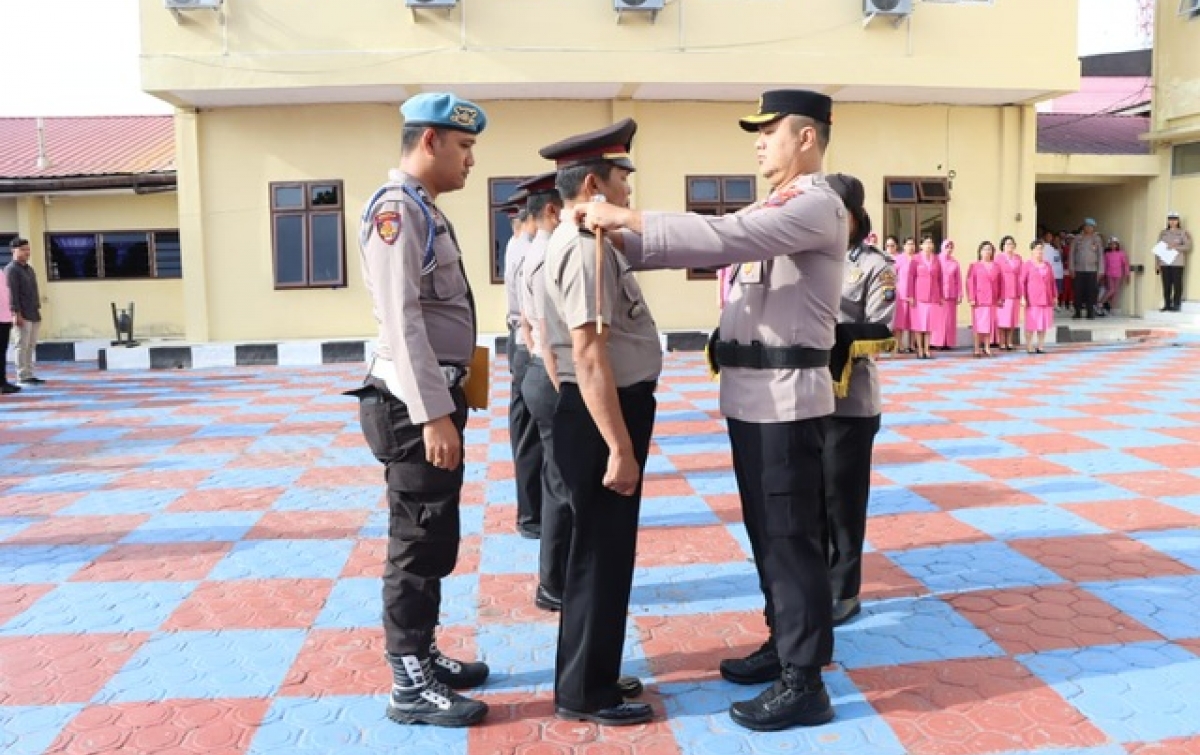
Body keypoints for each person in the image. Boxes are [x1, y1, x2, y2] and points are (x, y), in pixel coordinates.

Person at [577, 89, 845, 732]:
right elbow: (705, 246)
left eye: (769, 131)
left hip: (786, 402)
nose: (758, 142)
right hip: (753, 399)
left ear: (806, 138)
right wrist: (612, 238)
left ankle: (804, 680)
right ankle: (783, 642)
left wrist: (626, 215)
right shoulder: (776, 203)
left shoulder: (815, 202)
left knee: (791, 539)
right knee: (766, 533)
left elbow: (726, 235)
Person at [347, 92, 491, 728]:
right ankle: (408, 681)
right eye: (463, 148)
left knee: (433, 534)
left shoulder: (424, 210)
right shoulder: (396, 212)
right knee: (415, 539)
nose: (470, 162)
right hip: (411, 407)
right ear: (429, 141)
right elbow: (404, 321)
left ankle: (423, 653)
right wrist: (434, 414)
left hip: (431, 397)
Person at [539, 118, 662, 727]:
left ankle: (593, 671)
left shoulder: (578, 243)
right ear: (593, 184)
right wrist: (618, 446)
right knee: (599, 557)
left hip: (595, 413)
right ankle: (586, 692)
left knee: (603, 553)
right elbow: (588, 354)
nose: (629, 193)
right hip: (602, 418)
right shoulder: (582, 248)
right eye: (622, 180)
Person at [822, 173, 894, 628]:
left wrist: (827, 339)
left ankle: (844, 591)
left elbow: (883, 330)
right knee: (809, 498)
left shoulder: (872, 266)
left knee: (842, 501)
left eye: (836, 212)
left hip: (849, 403)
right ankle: (815, 583)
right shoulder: (806, 257)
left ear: (854, 216)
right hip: (803, 399)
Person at [513, 171, 571, 611]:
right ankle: (555, 583)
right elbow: (548, 334)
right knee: (563, 485)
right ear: (553, 210)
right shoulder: (548, 252)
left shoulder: (530, 249)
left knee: (556, 479)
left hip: (534, 366)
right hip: (549, 373)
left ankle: (556, 579)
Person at [503, 193, 544, 539]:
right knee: (531, 437)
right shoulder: (529, 250)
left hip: (518, 343)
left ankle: (532, 513)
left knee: (525, 433)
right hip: (527, 347)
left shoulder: (517, 246)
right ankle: (532, 516)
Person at [5, 238, 45, 385]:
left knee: (31, 345)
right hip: (21, 314)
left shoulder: (29, 269)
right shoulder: (11, 270)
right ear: (13, 251)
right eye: (23, 249)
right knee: (21, 345)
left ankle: (29, 373)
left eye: (28, 249)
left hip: (33, 312)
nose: (27, 252)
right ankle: (22, 375)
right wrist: (16, 314)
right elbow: (12, 294)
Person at [908, 236, 942, 360]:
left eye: (930, 243)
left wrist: (941, 295)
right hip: (919, 296)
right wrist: (910, 295)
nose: (929, 245)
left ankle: (927, 349)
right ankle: (920, 349)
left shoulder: (936, 259)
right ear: (921, 246)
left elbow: (940, 278)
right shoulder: (916, 259)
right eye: (926, 243)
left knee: (929, 324)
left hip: (933, 295)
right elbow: (911, 278)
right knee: (919, 324)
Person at [967, 241, 1001, 357]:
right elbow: (970, 282)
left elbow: (1001, 283)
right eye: (985, 249)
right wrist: (971, 298)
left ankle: (987, 347)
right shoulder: (974, 266)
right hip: (979, 299)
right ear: (980, 251)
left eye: (989, 249)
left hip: (992, 299)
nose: (987, 252)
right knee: (978, 324)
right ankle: (977, 348)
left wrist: (1000, 297)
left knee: (989, 324)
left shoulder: (996, 266)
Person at [1021, 240, 1056, 353]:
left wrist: (1055, 296)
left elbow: (1052, 282)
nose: (1039, 251)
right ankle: (1029, 345)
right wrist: (1023, 297)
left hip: (1046, 298)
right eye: (1037, 249)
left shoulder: (1047, 265)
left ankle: (1040, 345)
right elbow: (1021, 282)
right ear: (1032, 251)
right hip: (1032, 299)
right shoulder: (1027, 265)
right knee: (1031, 324)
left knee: (1043, 324)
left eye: (1041, 249)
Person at [1156, 211, 1192, 312]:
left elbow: (1188, 246)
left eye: (1174, 219)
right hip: (1164, 262)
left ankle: (1176, 304)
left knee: (1177, 283)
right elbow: (1158, 249)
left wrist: (1176, 247)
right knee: (1166, 284)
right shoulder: (1163, 233)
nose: (1172, 222)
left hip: (1177, 262)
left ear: (1178, 221)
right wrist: (1157, 263)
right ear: (1168, 221)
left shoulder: (1183, 233)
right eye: (1170, 219)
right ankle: (1167, 304)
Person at [930, 239, 961, 351]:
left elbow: (958, 279)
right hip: (939, 294)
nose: (949, 249)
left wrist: (959, 294)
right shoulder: (936, 260)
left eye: (951, 247)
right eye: (947, 246)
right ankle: (936, 342)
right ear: (942, 247)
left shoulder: (955, 262)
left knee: (949, 320)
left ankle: (948, 342)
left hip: (951, 294)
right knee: (938, 319)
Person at [1070, 218, 1103, 319]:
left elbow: (1100, 255)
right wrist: (1071, 268)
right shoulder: (1077, 238)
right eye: (1086, 226)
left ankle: (1090, 311)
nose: (1088, 228)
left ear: (1093, 228)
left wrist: (1101, 270)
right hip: (1079, 269)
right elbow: (1071, 254)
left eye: (1091, 227)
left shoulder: (1097, 239)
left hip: (1092, 270)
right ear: (1083, 227)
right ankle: (1077, 311)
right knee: (1078, 291)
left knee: (1091, 291)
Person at [995, 235, 1022, 350]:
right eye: (1007, 244)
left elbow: (1022, 275)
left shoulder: (1018, 258)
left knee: (1012, 318)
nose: (1009, 246)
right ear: (1003, 246)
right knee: (1002, 318)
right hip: (1003, 292)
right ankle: (1001, 342)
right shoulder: (998, 258)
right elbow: (995, 276)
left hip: (1015, 291)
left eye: (1011, 243)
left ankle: (1009, 341)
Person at [893, 237, 915, 353]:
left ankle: (912, 344)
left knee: (914, 321)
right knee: (900, 322)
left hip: (914, 294)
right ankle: (899, 344)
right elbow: (893, 275)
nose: (911, 247)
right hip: (901, 294)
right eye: (908, 244)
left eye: (912, 244)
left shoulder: (917, 259)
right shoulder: (899, 259)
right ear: (904, 246)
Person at [0, 261, 20, 394]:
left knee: (2, 351)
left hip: (4, 318)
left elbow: (6, 295)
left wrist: (12, 313)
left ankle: (2, 382)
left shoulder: (1, 273)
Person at [1100, 237, 1130, 315]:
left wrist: (1127, 275)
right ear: (1109, 245)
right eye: (1111, 244)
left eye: (1115, 244)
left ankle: (1112, 308)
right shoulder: (1107, 254)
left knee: (1116, 292)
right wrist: (1103, 276)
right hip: (1109, 274)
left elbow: (1125, 264)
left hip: (1118, 274)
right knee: (1111, 290)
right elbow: (1105, 265)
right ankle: (1100, 303)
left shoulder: (1121, 253)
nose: (1113, 246)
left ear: (1117, 245)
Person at [1042, 230, 1065, 310]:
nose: (1050, 238)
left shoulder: (1057, 248)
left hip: (1059, 273)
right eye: (1048, 236)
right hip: (1052, 272)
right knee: (1051, 289)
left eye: (1051, 237)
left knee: (1057, 290)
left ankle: (1055, 304)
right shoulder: (1045, 247)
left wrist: (1059, 247)